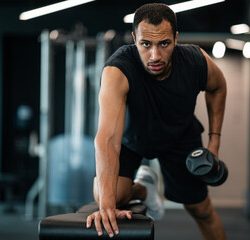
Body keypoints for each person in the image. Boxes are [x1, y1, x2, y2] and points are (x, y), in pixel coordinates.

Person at [86, 3, 227, 240]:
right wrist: (107, 207)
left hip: (179, 135)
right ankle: (144, 187)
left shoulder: (194, 61)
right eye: (145, 44)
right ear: (134, 38)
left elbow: (218, 87)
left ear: (175, 38)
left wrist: (214, 143)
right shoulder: (117, 70)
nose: (155, 55)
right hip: (132, 138)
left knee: (201, 210)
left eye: (164, 44)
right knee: (105, 195)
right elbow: (108, 138)